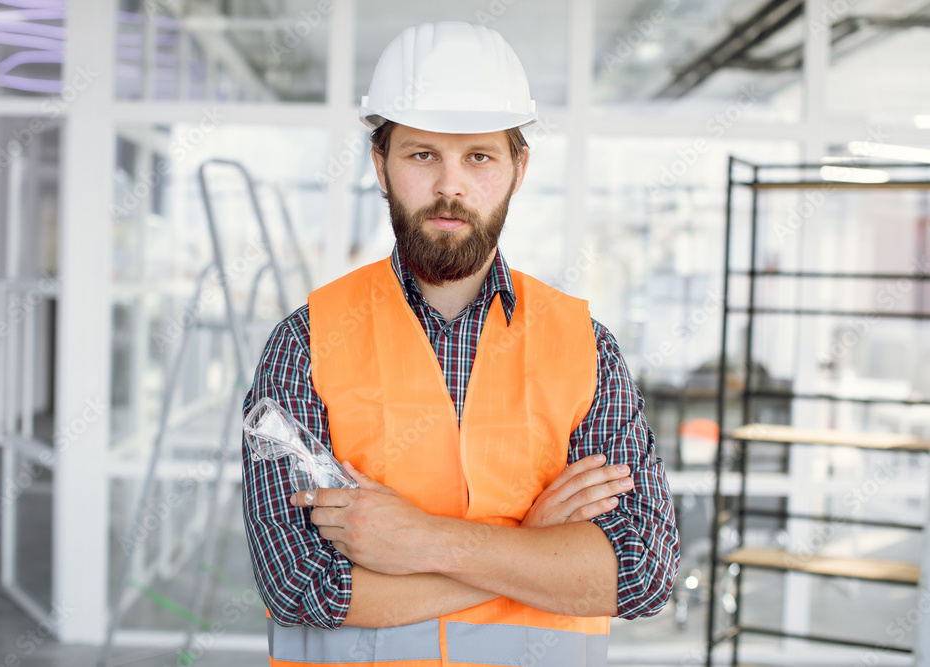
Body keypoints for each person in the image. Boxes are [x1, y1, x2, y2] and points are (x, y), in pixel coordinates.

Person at [242, 21, 679, 667]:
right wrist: (532, 543)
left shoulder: (586, 347)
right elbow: (303, 585)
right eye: (422, 154)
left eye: (479, 156)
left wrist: (423, 540)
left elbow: (640, 573)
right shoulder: (305, 343)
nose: (451, 186)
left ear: (517, 168)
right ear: (380, 164)